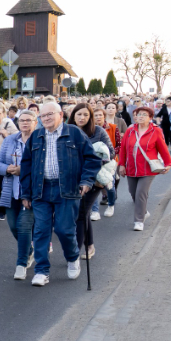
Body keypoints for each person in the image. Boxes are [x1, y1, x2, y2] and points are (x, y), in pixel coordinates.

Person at [19, 103, 102, 286]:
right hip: (41, 189)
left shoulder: (74, 133)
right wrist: (25, 193)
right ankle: (41, 271)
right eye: (42, 116)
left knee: (64, 229)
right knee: (40, 231)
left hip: (68, 188)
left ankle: (72, 257)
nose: (46, 118)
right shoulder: (36, 136)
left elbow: (92, 159)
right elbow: (26, 166)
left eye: (50, 114)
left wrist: (86, 181)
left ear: (60, 115)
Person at [70, 103, 113, 261]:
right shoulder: (67, 131)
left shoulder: (98, 132)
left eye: (85, 115)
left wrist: (93, 166)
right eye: (79, 114)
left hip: (93, 180)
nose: (82, 118)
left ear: (90, 117)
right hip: (72, 178)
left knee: (81, 213)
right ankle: (90, 245)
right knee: (83, 213)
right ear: (73, 115)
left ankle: (75, 252)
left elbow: (110, 153)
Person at [0, 109, 37, 280]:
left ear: (36, 122)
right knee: (14, 226)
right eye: (22, 120)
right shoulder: (10, 140)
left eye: (29, 120)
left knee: (24, 226)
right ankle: (29, 250)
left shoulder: (39, 140)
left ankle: (21, 264)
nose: (25, 123)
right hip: (11, 191)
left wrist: (23, 170)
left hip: (31, 193)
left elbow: (43, 165)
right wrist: (7, 168)